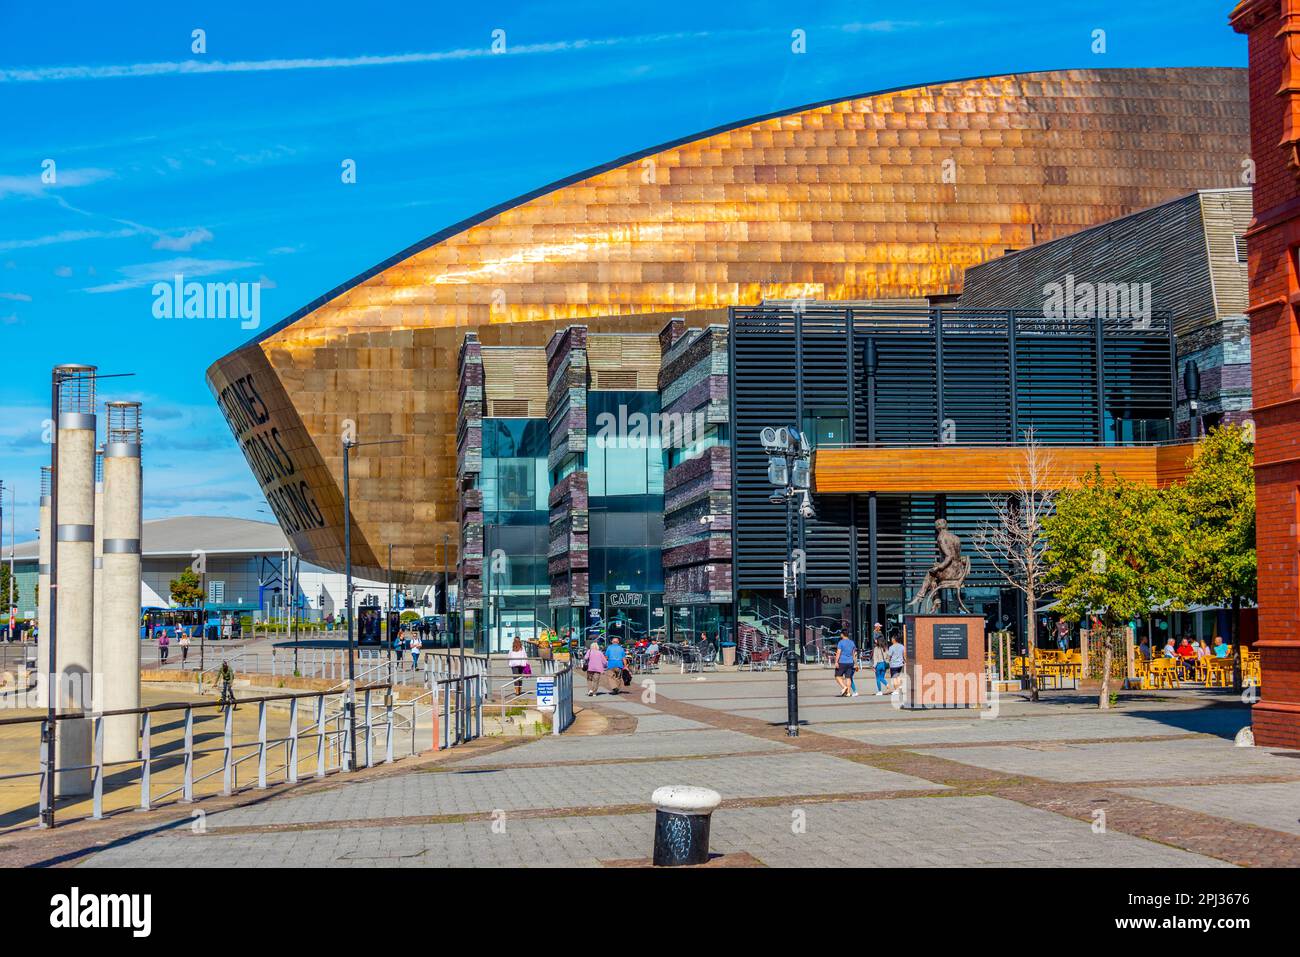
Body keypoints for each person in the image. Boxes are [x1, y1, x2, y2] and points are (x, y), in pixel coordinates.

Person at [834, 631, 856, 697]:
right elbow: (853, 654)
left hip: (842, 662)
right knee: (848, 677)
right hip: (850, 662)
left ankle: (844, 687)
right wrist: (855, 663)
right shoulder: (852, 642)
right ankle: (848, 692)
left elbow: (838, 653)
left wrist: (836, 661)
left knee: (837, 676)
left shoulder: (841, 642)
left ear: (842, 634)